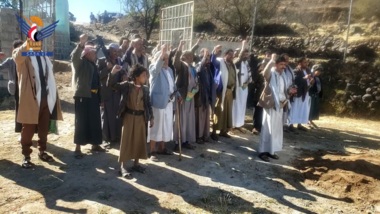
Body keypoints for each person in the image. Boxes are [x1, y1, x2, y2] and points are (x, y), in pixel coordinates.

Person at [12, 39, 63, 168]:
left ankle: (42, 151)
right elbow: (17, 57)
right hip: (31, 98)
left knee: (44, 127)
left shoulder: (44, 56)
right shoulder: (24, 56)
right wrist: (26, 43)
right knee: (28, 129)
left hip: (45, 97)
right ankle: (26, 156)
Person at [107, 64, 154, 179]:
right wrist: (112, 73)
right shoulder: (127, 86)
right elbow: (112, 85)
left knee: (139, 140)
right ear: (137, 76)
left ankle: (136, 164)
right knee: (126, 140)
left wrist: (151, 117)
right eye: (144, 75)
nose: (146, 77)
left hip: (140, 118)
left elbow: (148, 104)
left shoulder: (146, 89)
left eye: (146, 75)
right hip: (129, 116)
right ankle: (123, 166)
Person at [71, 34, 105, 158]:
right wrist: (81, 44)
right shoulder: (80, 63)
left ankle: (95, 144)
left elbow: (97, 83)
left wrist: (100, 99)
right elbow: (75, 57)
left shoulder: (93, 65)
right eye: (93, 53)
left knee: (95, 121)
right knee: (81, 122)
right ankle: (78, 148)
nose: (95, 55)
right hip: (83, 97)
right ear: (87, 54)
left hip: (94, 97)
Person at [258, 54, 295, 162]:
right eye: (281, 64)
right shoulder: (271, 73)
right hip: (271, 105)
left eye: (284, 64)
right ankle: (262, 151)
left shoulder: (284, 75)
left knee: (276, 129)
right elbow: (265, 73)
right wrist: (271, 61)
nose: (283, 66)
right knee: (267, 128)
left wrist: (290, 91)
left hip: (281, 105)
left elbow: (284, 90)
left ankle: (271, 151)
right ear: (276, 64)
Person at [148, 44, 177, 161]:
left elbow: (173, 85)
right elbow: (156, 69)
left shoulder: (169, 70)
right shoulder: (153, 68)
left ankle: (162, 147)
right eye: (164, 59)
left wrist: (177, 94)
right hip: (158, 102)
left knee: (166, 125)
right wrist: (162, 54)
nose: (166, 61)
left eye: (167, 59)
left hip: (169, 102)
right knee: (156, 127)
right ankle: (152, 151)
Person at [98, 43, 126, 148]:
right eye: (114, 51)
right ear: (109, 51)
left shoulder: (119, 60)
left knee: (116, 116)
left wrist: (124, 75)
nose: (116, 53)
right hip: (106, 92)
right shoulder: (102, 61)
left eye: (118, 51)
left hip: (117, 92)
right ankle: (106, 139)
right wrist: (106, 68)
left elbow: (122, 70)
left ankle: (116, 137)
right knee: (106, 116)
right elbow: (98, 75)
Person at [173, 40, 198, 150]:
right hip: (182, 97)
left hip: (190, 96)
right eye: (189, 56)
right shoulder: (182, 66)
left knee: (188, 119)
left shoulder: (192, 67)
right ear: (184, 57)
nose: (191, 57)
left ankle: (186, 140)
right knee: (180, 120)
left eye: (191, 56)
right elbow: (175, 63)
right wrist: (179, 48)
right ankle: (178, 141)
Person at [210, 46, 237, 140]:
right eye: (229, 55)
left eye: (232, 55)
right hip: (221, 91)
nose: (231, 57)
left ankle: (223, 131)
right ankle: (214, 131)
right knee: (218, 111)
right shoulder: (220, 62)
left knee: (227, 112)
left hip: (230, 91)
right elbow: (213, 60)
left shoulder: (233, 65)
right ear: (225, 55)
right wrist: (215, 51)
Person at [1, 40, 23, 133]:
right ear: (13, 50)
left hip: (26, 87)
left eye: (21, 48)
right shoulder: (10, 61)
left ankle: (27, 129)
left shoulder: (27, 59)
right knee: (19, 107)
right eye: (18, 48)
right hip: (16, 88)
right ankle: (19, 129)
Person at [194, 48, 214, 144]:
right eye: (206, 58)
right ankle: (199, 136)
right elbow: (199, 70)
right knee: (200, 118)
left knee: (206, 119)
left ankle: (206, 135)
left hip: (207, 96)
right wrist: (204, 58)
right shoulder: (198, 66)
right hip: (201, 97)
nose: (208, 60)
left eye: (208, 58)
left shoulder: (208, 69)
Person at [288, 57, 312, 132]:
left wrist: (311, 80)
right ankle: (290, 124)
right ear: (299, 63)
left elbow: (310, 80)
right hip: (298, 93)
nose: (306, 64)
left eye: (306, 62)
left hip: (305, 92)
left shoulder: (308, 70)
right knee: (295, 108)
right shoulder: (296, 71)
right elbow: (295, 81)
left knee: (302, 109)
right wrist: (304, 78)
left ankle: (299, 124)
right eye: (304, 62)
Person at [232, 40, 251, 132]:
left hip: (244, 88)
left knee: (242, 106)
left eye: (247, 55)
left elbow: (249, 75)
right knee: (236, 106)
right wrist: (243, 45)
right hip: (238, 89)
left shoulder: (246, 63)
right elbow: (239, 58)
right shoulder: (236, 61)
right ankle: (233, 124)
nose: (245, 56)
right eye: (244, 54)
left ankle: (239, 124)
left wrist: (247, 82)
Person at [281, 53, 296, 131]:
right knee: (282, 109)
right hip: (282, 92)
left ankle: (285, 124)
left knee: (287, 109)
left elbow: (292, 80)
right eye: (285, 59)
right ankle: (281, 125)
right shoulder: (280, 69)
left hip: (289, 92)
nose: (287, 61)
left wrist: (293, 88)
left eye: (288, 59)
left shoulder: (290, 69)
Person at [251, 62, 265, 135]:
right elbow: (254, 82)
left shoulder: (266, 74)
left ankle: (260, 126)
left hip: (264, 97)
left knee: (261, 112)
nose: (263, 67)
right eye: (261, 66)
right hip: (258, 95)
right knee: (257, 112)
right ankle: (256, 127)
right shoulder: (258, 74)